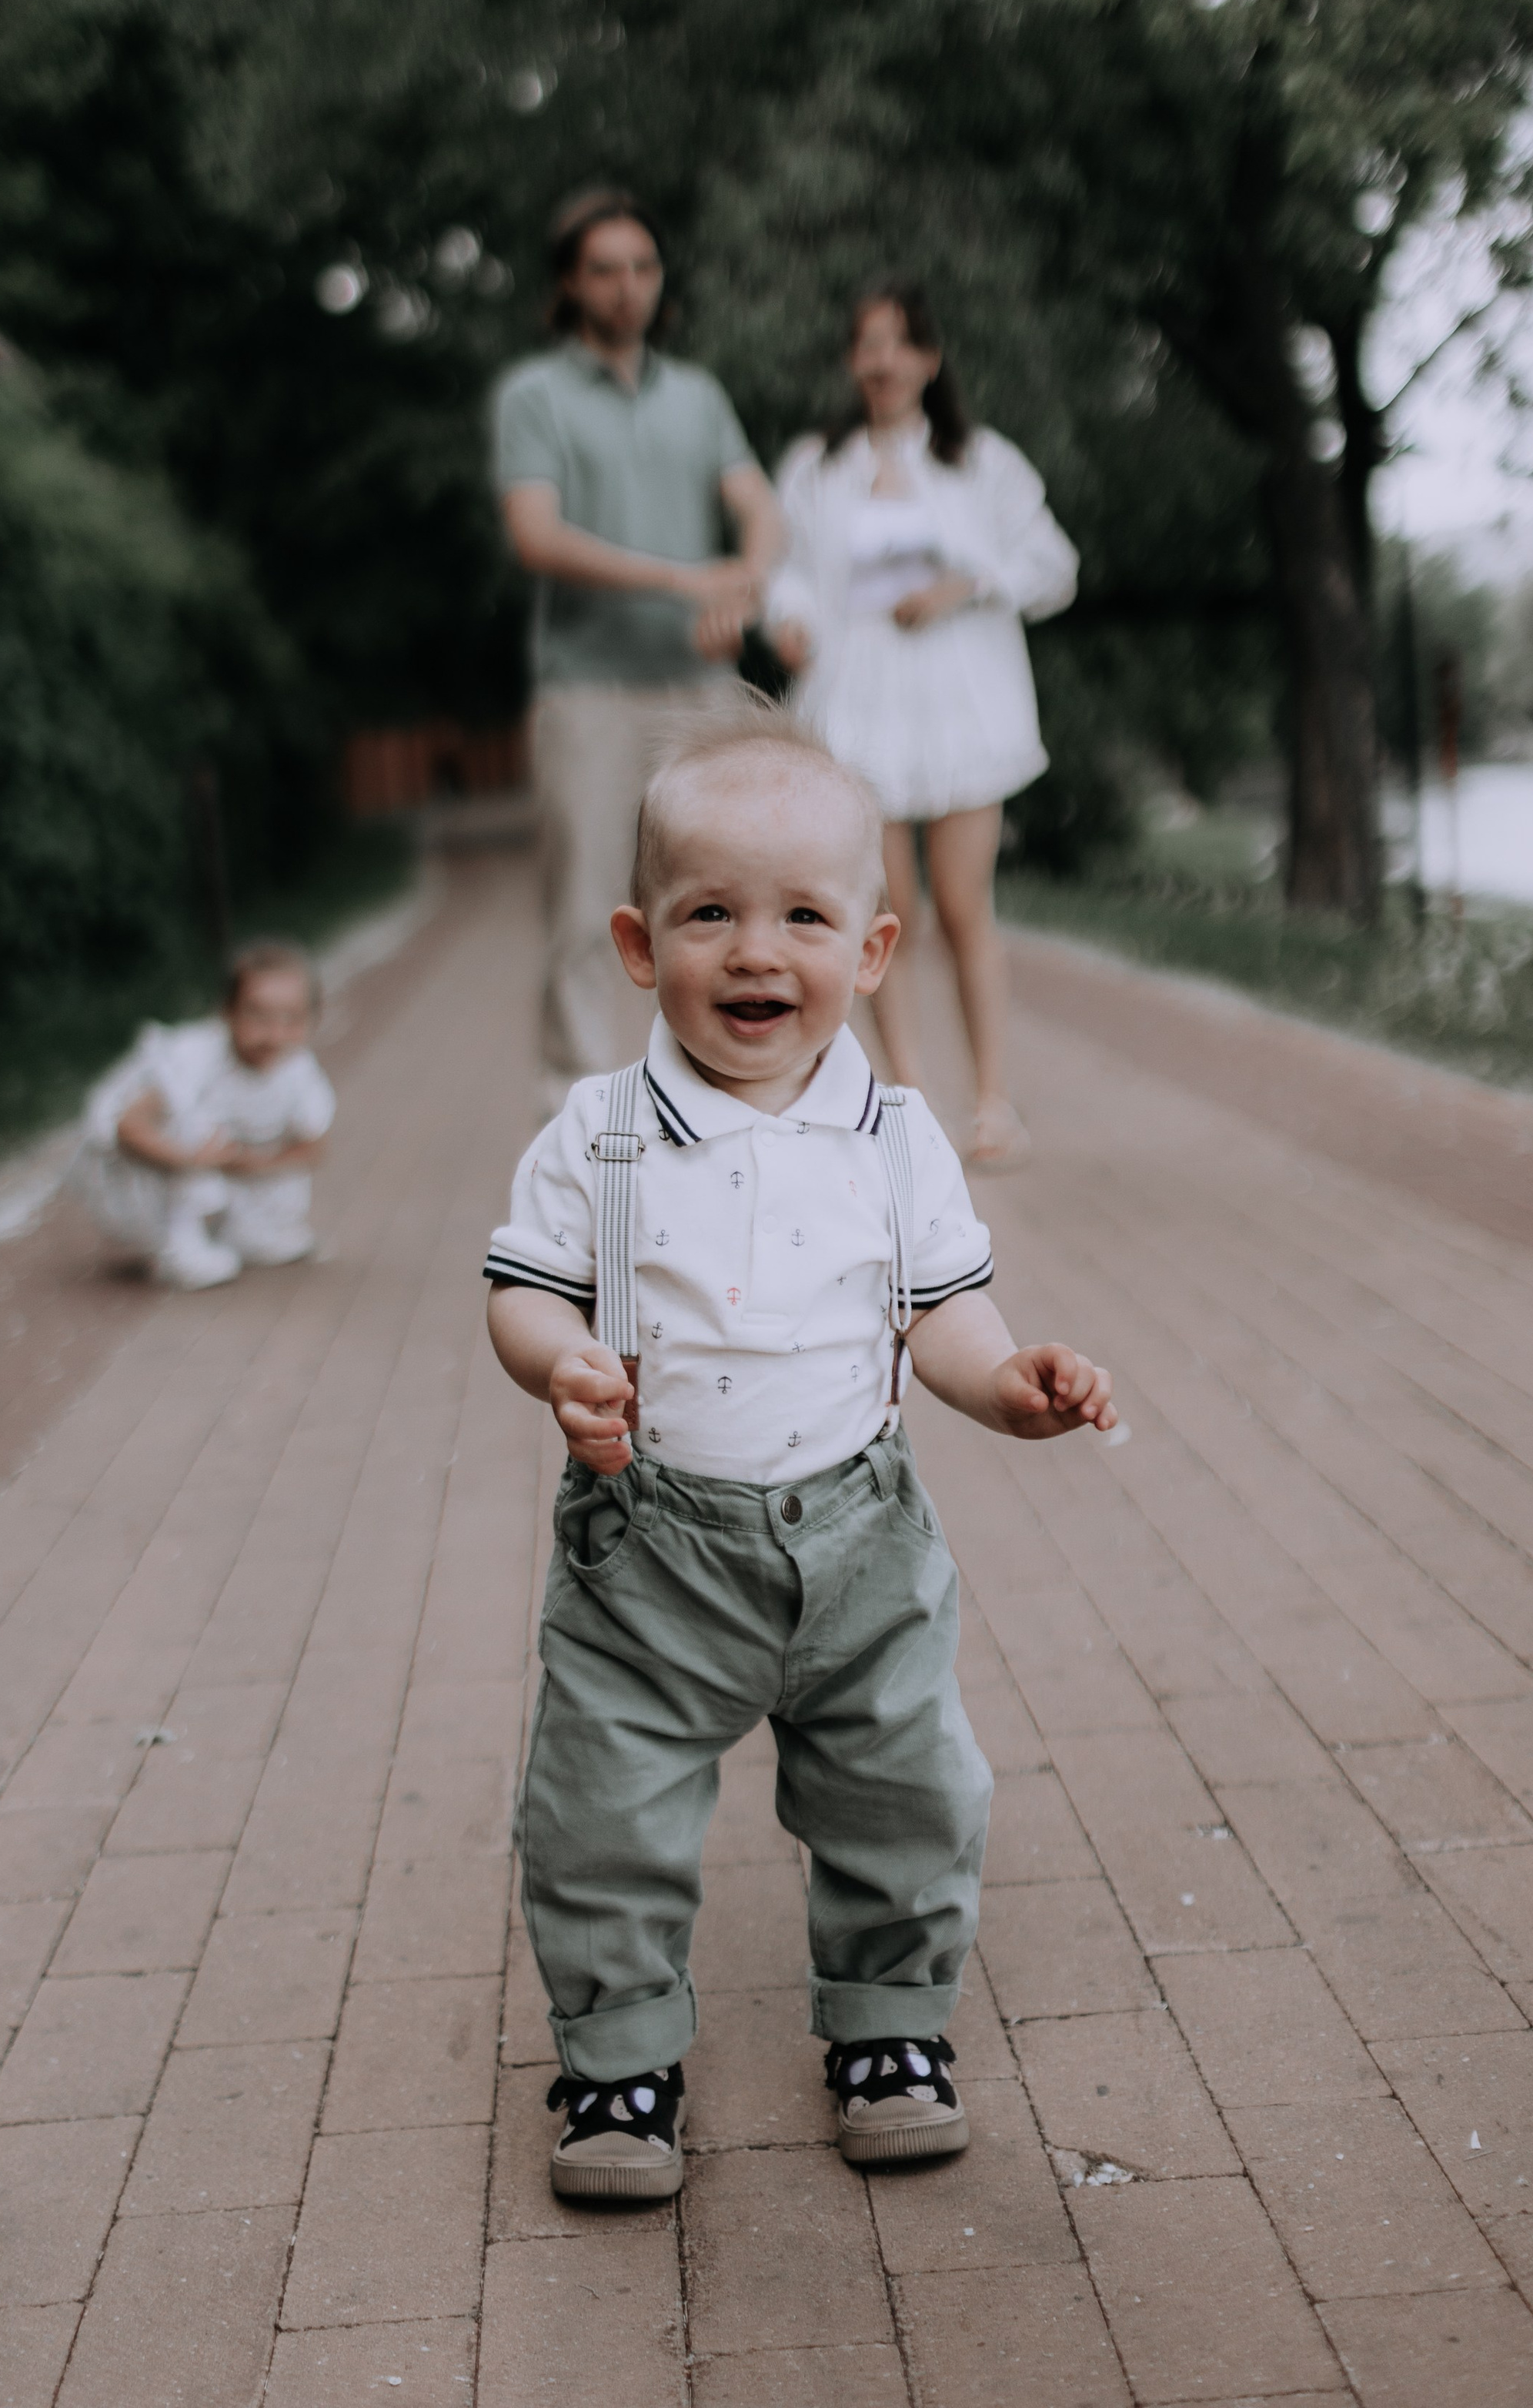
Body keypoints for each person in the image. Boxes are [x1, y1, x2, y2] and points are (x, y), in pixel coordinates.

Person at [484, 701, 1118, 2199]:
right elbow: (523, 1289)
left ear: (871, 951)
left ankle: (889, 2027)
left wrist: (1007, 1383)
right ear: (642, 948)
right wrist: (558, 1364)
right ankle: (618, 2060)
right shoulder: (597, 1134)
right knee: (597, 1809)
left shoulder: (897, 1137)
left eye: (801, 917)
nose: (755, 953)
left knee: (908, 1790)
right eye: (710, 914)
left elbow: (942, 1317)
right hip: (649, 1551)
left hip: (857, 1548)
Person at [765, 283, 1078, 1167]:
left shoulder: (981, 462)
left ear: (929, 360)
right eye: (867, 344)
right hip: (856, 705)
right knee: (883, 911)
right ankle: (907, 1101)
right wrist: (785, 618)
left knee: (964, 908)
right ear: (851, 361)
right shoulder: (814, 466)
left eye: (900, 344)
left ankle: (991, 1102)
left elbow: (1053, 565)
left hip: (959, 706)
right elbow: (784, 572)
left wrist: (963, 587)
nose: (883, 361)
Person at [496, 187, 783, 1116]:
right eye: (605, 270)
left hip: (700, 694)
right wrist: (684, 579)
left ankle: (715, 1096)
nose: (627, 288)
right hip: (586, 693)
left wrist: (744, 578)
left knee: (717, 901)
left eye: (643, 268)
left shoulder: (697, 395)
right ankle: (574, 1120)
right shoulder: (533, 396)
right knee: (584, 913)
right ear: (571, 286)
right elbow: (536, 537)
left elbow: (761, 510)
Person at [71, 939, 335, 1290]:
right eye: (258, 1015)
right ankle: (179, 1245)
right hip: (136, 1175)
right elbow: (128, 1126)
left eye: (292, 1019)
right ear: (227, 1012)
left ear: (313, 1019)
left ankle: (248, 1229)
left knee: (283, 1167)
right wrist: (192, 1160)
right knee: (193, 1118)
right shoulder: (194, 1058)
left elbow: (313, 1146)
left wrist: (252, 1163)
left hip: (226, 1164)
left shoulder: (298, 1069)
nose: (274, 1034)